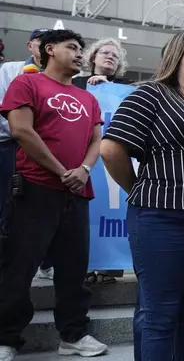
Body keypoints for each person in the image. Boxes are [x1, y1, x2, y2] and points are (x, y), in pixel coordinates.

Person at [100, 30, 184, 361]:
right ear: (176, 59)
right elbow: (111, 148)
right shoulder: (151, 95)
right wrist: (140, 191)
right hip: (162, 218)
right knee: (160, 316)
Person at [0, 29, 108, 360]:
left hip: (77, 192)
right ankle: (6, 337)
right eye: (72, 47)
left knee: (74, 268)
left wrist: (84, 170)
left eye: (81, 49)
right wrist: (61, 170)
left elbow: (96, 141)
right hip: (35, 187)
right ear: (49, 49)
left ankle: (73, 335)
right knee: (20, 264)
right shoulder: (27, 84)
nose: (79, 54)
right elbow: (21, 130)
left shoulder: (88, 98)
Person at [72, 37, 130, 285]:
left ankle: (109, 269)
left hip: (113, 159)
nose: (110, 57)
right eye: (105, 53)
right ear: (93, 57)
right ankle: (83, 265)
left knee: (113, 210)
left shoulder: (127, 88)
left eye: (115, 56)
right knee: (85, 214)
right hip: (81, 157)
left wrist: (108, 87)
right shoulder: (77, 84)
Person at [0, 28, 52, 280]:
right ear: (30, 45)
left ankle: (43, 261)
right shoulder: (10, 70)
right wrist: (24, 133)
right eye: (42, 42)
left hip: (47, 154)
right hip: (11, 145)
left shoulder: (58, 76)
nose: (46, 48)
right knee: (8, 204)